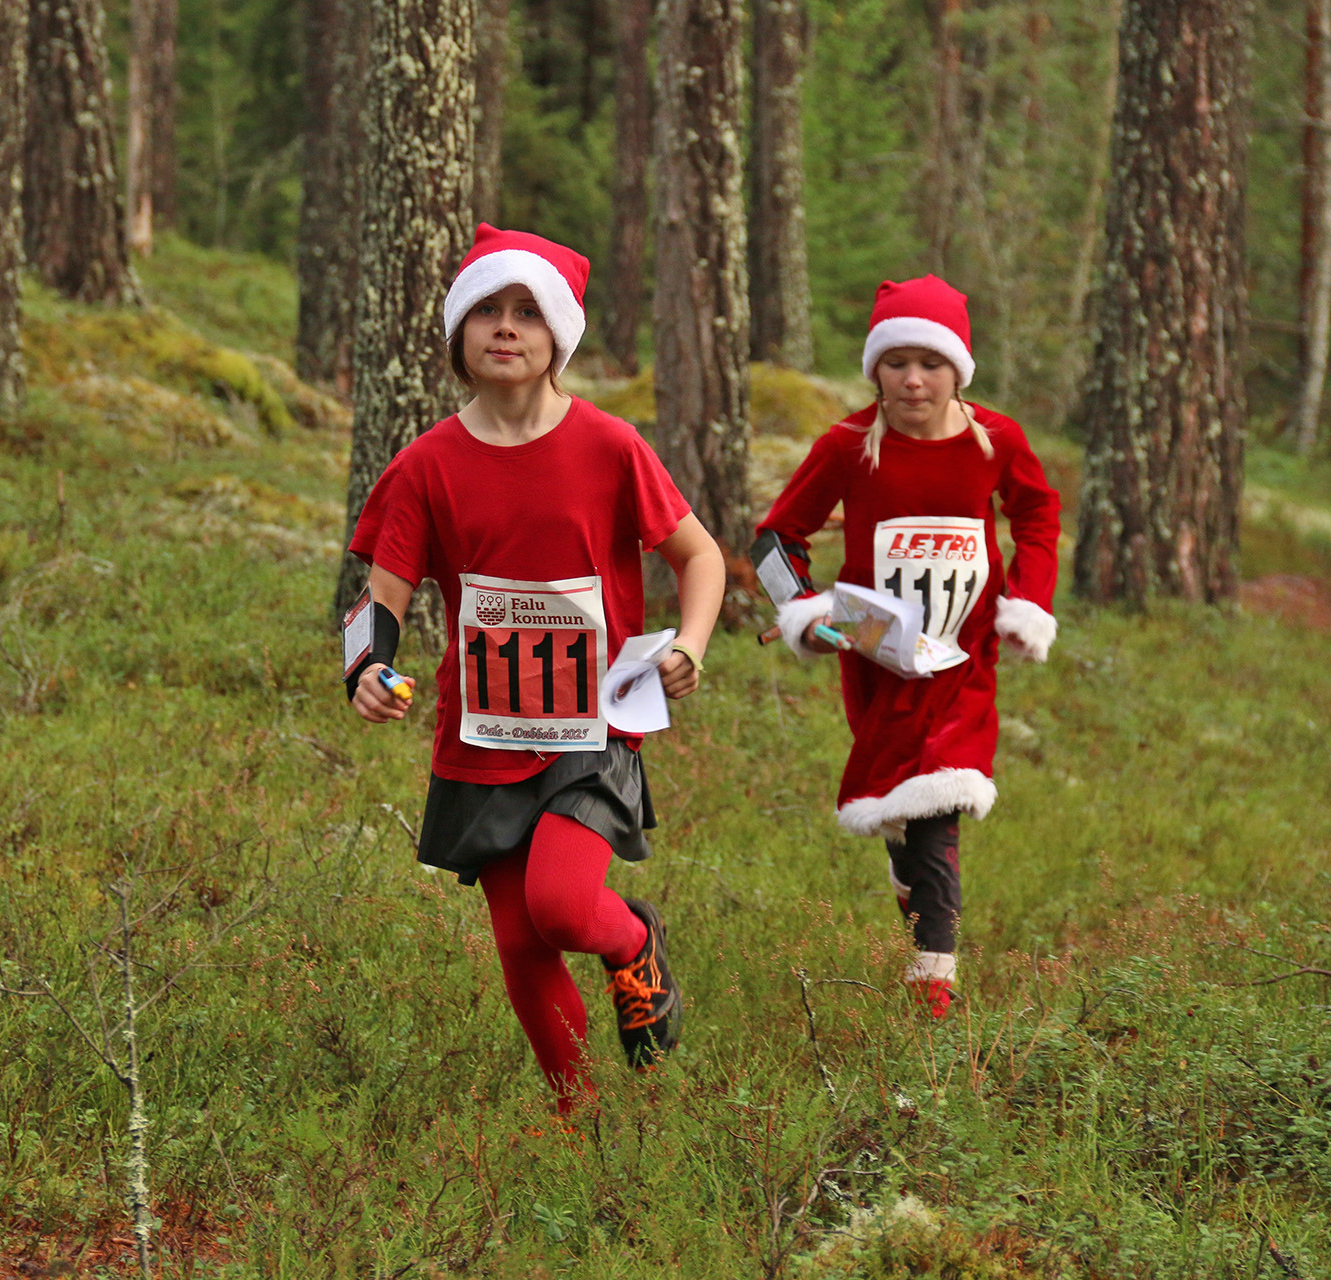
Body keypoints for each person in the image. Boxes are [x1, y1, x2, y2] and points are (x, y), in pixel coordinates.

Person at [344, 224, 726, 1112]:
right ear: (457, 337)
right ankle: (576, 1115)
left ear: (559, 336)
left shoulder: (608, 447)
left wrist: (689, 644)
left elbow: (699, 557)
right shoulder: (426, 465)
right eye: (485, 311)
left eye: (526, 312)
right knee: (521, 941)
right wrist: (367, 668)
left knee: (561, 903)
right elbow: (381, 598)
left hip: (595, 722)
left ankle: (633, 941)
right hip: (483, 732)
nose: (505, 328)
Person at [756, 276, 1060, 1018]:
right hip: (877, 655)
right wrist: (804, 612)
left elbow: (1038, 514)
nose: (914, 379)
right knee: (904, 807)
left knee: (941, 800)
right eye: (896, 363)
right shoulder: (847, 446)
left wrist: (1028, 601)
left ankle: (935, 998)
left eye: (931, 362)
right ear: (875, 370)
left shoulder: (996, 441)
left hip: (965, 656)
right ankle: (903, 863)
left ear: (959, 368)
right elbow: (775, 538)